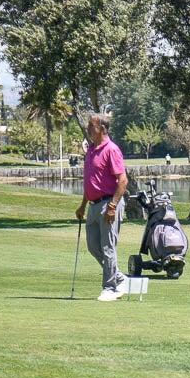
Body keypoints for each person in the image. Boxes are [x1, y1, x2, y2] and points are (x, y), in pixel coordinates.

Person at [75, 113, 129, 301]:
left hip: (109, 203)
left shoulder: (111, 149)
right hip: (92, 205)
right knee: (93, 246)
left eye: (92, 126)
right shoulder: (91, 150)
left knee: (108, 247)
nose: (88, 129)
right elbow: (91, 182)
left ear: (103, 129)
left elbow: (123, 180)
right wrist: (82, 205)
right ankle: (119, 278)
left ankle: (110, 288)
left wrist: (113, 205)